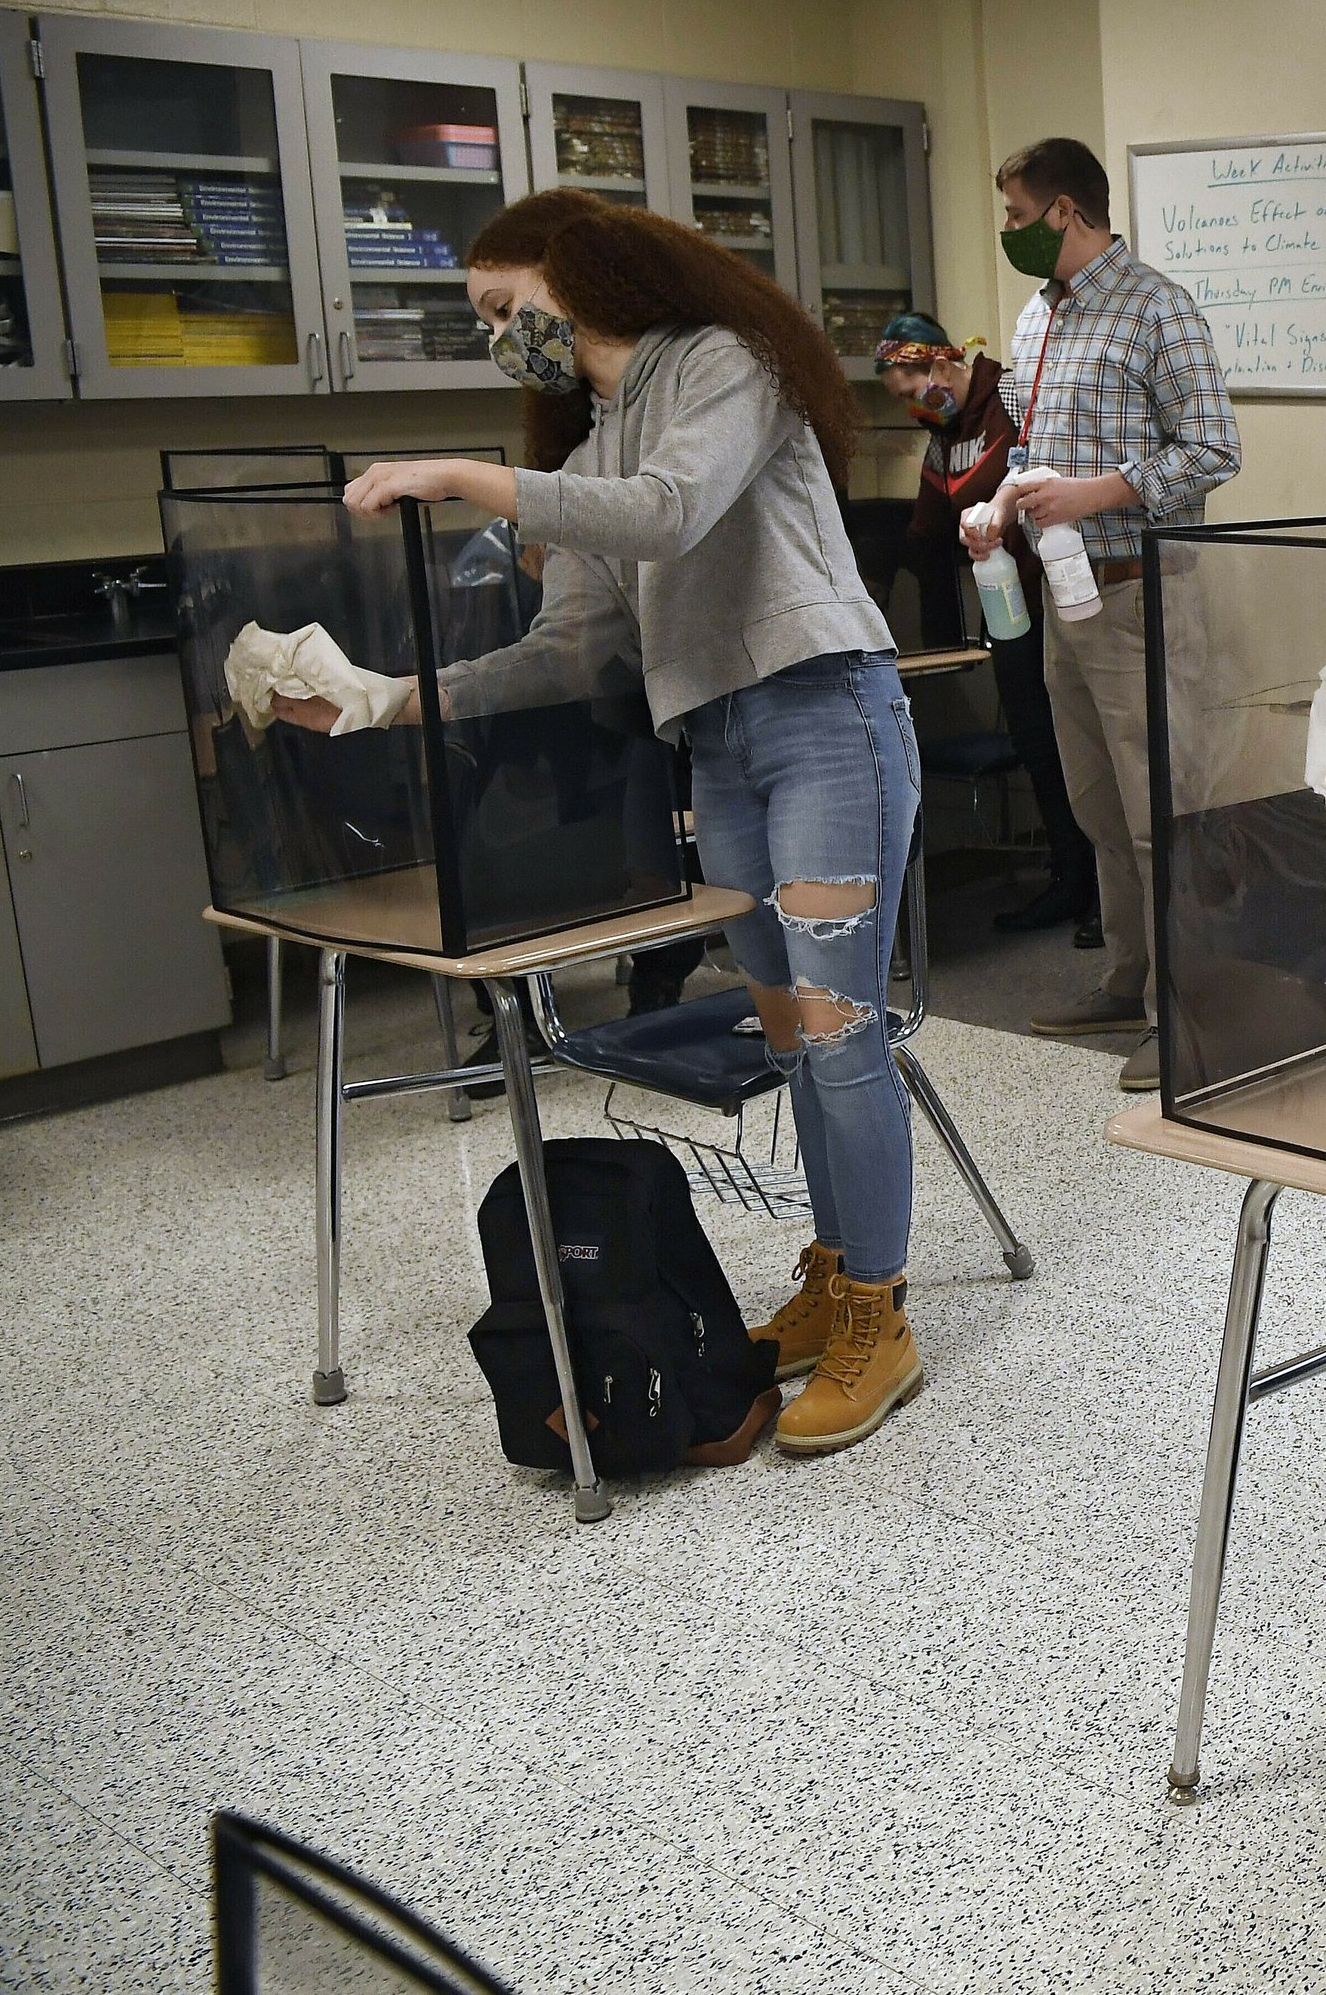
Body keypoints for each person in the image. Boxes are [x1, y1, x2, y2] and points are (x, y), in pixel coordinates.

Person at [291, 190, 930, 1457]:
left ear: (576, 271)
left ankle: (881, 1315)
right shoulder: (588, 451)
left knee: (843, 1032)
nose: (496, 334)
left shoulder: (723, 366)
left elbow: (670, 508)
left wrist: (474, 478)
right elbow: (576, 649)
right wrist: (385, 699)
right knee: (794, 1037)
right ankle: (836, 1268)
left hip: (823, 718)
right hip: (726, 746)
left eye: (500, 304)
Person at [961, 137, 1241, 1093]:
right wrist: (1002, 507)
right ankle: (1131, 980)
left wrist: (1095, 495)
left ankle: (1190, 1010)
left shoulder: (1158, 308)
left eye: (1014, 216)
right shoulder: (1037, 318)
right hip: (1060, 594)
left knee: (1166, 807)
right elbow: (1028, 448)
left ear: (1068, 212)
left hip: (1139, 589)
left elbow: (1211, 449)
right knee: (1097, 804)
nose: (1006, 233)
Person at [870, 311, 1100, 944]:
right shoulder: (943, 437)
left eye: (915, 391)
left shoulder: (1011, 400)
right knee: (1036, 744)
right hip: (1008, 613)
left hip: (1062, 594)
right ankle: (1069, 879)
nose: (917, 407)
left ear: (941, 365)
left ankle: (1111, 890)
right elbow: (924, 532)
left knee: (1084, 745)